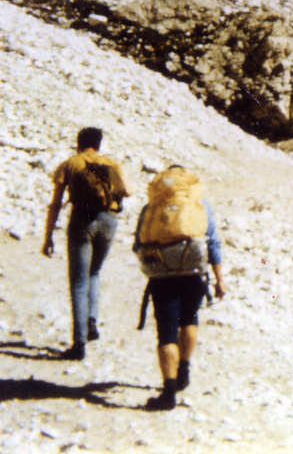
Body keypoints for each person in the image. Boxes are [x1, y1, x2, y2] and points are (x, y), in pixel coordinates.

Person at [131, 166, 226, 411]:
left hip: (162, 277)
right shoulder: (199, 206)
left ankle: (169, 392)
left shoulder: (152, 208)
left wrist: (157, 262)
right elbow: (212, 242)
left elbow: (138, 244)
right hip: (193, 273)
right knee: (189, 321)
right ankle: (184, 370)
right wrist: (219, 279)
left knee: (166, 333)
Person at [41, 127, 129, 360]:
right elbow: (127, 191)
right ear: (98, 144)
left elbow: (55, 203)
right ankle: (92, 320)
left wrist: (48, 235)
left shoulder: (70, 164)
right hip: (108, 221)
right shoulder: (111, 163)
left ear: (78, 143)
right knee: (94, 272)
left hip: (82, 221)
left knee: (78, 282)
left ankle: (79, 344)